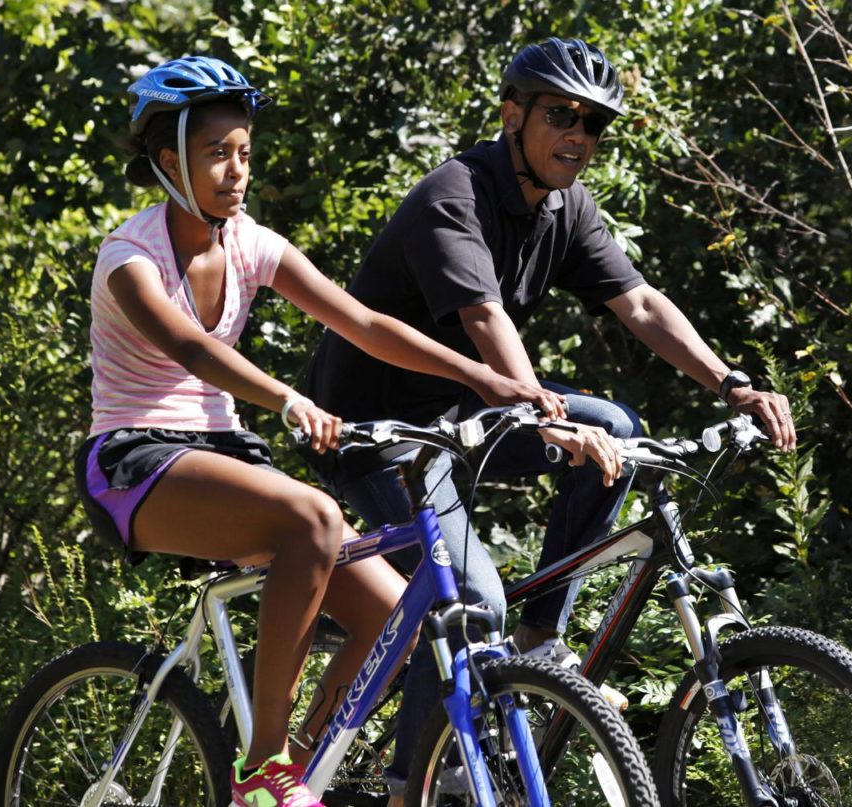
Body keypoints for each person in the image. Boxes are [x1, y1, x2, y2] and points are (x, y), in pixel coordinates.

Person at [303, 37, 797, 803]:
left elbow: (637, 304)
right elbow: (483, 317)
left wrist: (732, 383)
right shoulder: (453, 196)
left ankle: (540, 638)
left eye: (594, 124)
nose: (579, 135)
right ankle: (413, 786)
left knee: (620, 431)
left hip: (468, 414)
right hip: (377, 431)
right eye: (562, 115)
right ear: (512, 114)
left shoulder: (566, 207)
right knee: (467, 594)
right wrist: (544, 415)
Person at [73, 55, 563, 807]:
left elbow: (365, 323)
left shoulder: (248, 243)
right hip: (134, 460)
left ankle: (294, 770)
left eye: (244, 151)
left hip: (224, 456)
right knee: (313, 512)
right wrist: (287, 398)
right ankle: (261, 768)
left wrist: (484, 378)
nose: (237, 171)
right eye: (217, 154)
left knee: (396, 615)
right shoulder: (129, 259)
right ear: (169, 162)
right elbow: (192, 349)